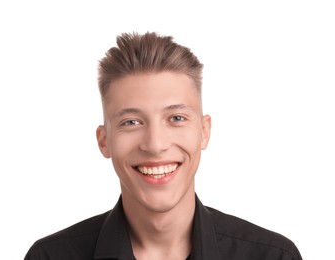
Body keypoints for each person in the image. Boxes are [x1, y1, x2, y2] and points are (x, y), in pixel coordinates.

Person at [24, 32, 302, 260]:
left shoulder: (272, 256)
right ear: (104, 140)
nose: (155, 145)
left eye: (176, 118)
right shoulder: (50, 256)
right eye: (131, 122)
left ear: (204, 132)